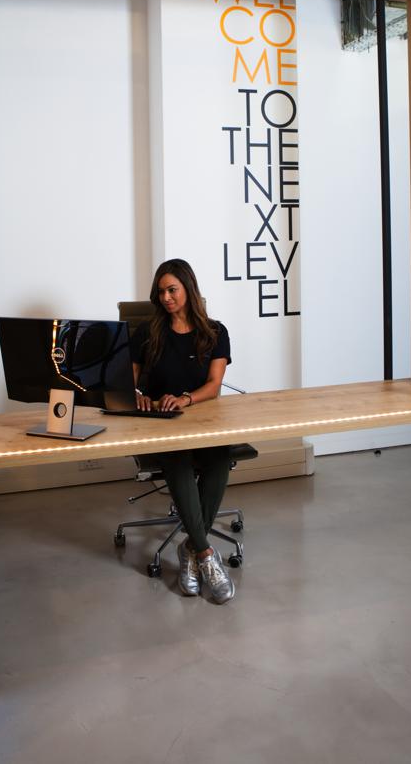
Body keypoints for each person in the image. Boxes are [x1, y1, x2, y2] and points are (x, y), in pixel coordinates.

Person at [130, 258, 235, 604]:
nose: (166, 297)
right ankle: (205, 555)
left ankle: (190, 546)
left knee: (220, 458)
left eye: (172, 289)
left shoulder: (215, 333)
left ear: (188, 289)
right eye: (160, 291)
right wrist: (140, 396)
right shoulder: (147, 333)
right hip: (162, 424)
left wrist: (186, 399)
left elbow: (214, 386)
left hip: (203, 422)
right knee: (177, 460)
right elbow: (125, 384)